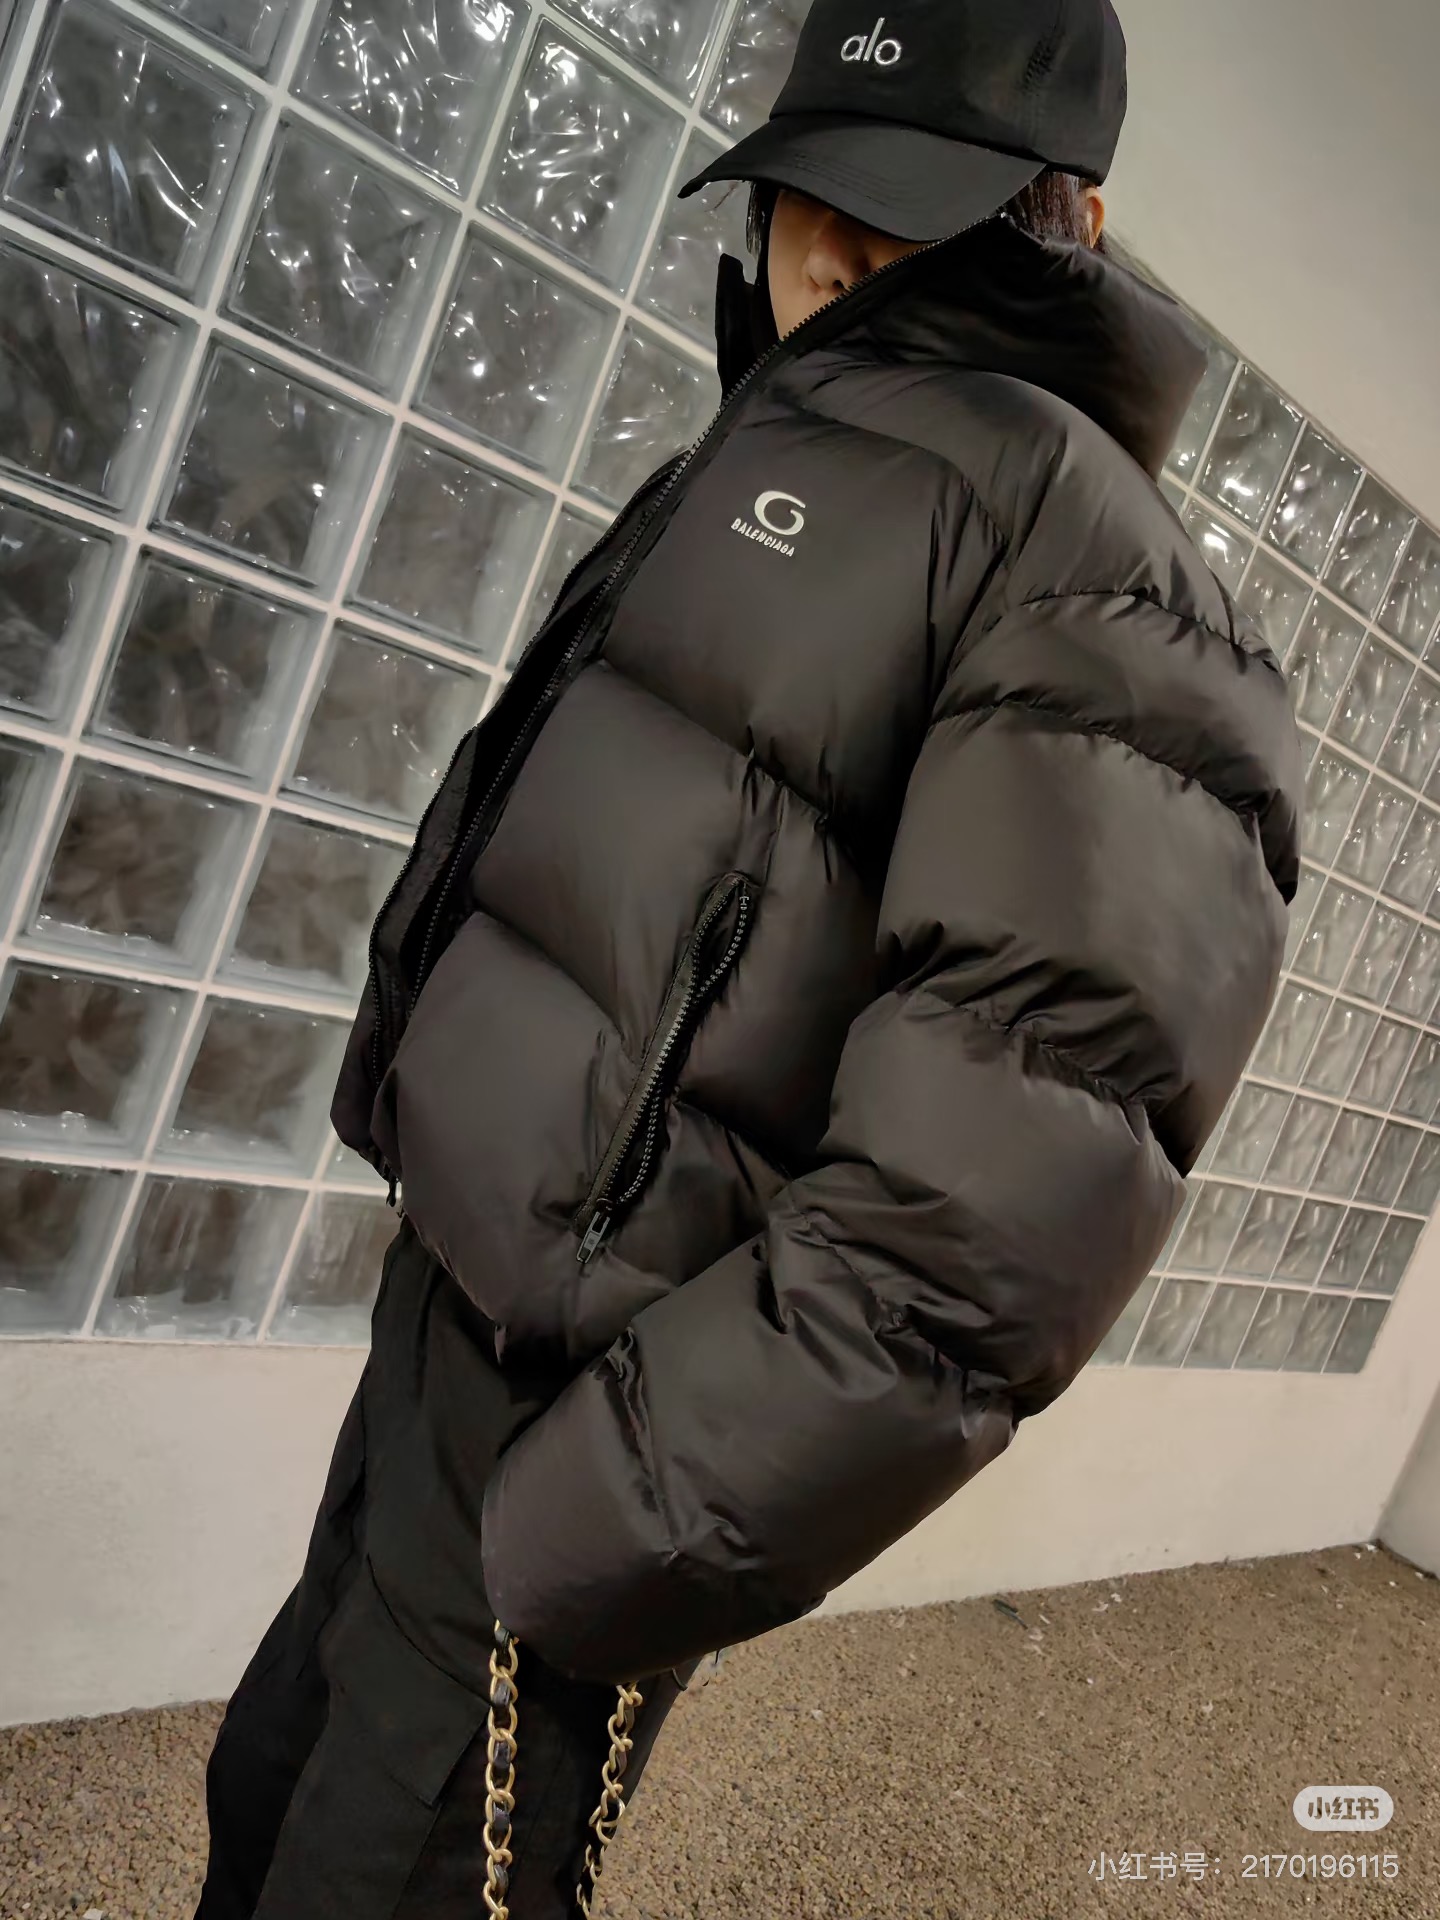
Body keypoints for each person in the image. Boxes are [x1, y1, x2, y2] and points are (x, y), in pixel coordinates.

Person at [195, 0, 1303, 1913]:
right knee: (276, 1789)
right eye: (821, 189)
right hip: (449, 1323)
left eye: (920, 201)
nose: (841, 250)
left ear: (1071, 219)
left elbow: (994, 1226)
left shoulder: (1091, 571)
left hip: (587, 1414)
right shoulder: (794, 433)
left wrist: (617, 1514)